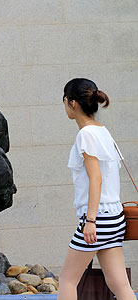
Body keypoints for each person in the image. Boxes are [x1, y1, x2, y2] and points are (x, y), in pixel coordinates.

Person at [57, 78, 136, 300]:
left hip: (97, 220)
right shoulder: (102, 131)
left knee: (67, 279)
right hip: (114, 218)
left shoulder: (86, 135)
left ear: (72, 102)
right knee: (119, 284)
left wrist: (90, 221)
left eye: (64, 100)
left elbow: (96, 179)